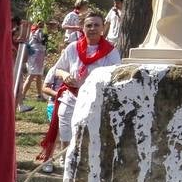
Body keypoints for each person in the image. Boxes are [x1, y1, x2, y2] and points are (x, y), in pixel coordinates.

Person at [36, 11, 120, 171]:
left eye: (97, 25)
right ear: (82, 27)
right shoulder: (73, 48)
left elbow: (116, 75)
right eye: (89, 25)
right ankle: (67, 161)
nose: (92, 28)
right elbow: (58, 70)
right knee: (66, 130)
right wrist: (65, 75)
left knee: (87, 134)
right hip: (71, 96)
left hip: (94, 100)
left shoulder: (111, 52)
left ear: (103, 28)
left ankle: (82, 164)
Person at [17, 20, 50, 112]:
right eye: (40, 23)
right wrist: (45, 36)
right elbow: (42, 41)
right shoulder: (36, 31)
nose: (42, 24)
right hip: (35, 55)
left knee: (39, 75)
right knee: (32, 75)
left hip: (39, 54)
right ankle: (22, 95)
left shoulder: (36, 30)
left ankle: (40, 95)